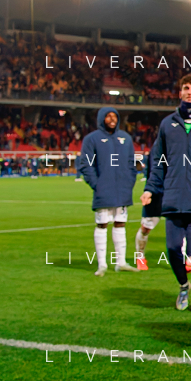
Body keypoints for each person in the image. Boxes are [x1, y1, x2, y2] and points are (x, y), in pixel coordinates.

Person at [140, 74, 191, 315]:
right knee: (174, 248)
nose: (190, 91)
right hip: (174, 197)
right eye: (186, 87)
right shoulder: (167, 124)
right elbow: (158, 161)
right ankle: (184, 286)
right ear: (180, 93)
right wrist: (150, 188)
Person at [77, 107, 138, 277]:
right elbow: (85, 164)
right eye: (108, 116)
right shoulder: (92, 139)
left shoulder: (125, 138)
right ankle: (102, 265)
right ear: (101, 119)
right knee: (102, 225)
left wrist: (129, 182)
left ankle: (121, 263)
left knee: (120, 224)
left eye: (114, 116)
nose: (112, 119)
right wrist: (97, 185)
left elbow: (131, 163)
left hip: (122, 190)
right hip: (103, 190)